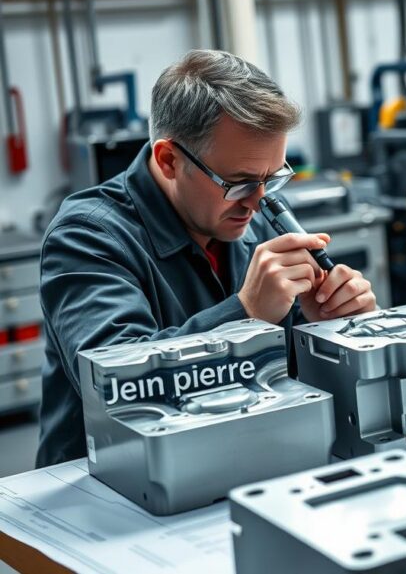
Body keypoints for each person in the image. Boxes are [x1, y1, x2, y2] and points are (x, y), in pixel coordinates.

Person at [35, 50, 376, 467]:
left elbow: (287, 378)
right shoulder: (87, 236)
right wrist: (246, 314)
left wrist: (333, 330)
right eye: (239, 182)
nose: (258, 201)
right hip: (107, 487)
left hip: (231, 460)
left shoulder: (250, 213)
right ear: (169, 160)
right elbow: (114, 389)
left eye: (273, 177)